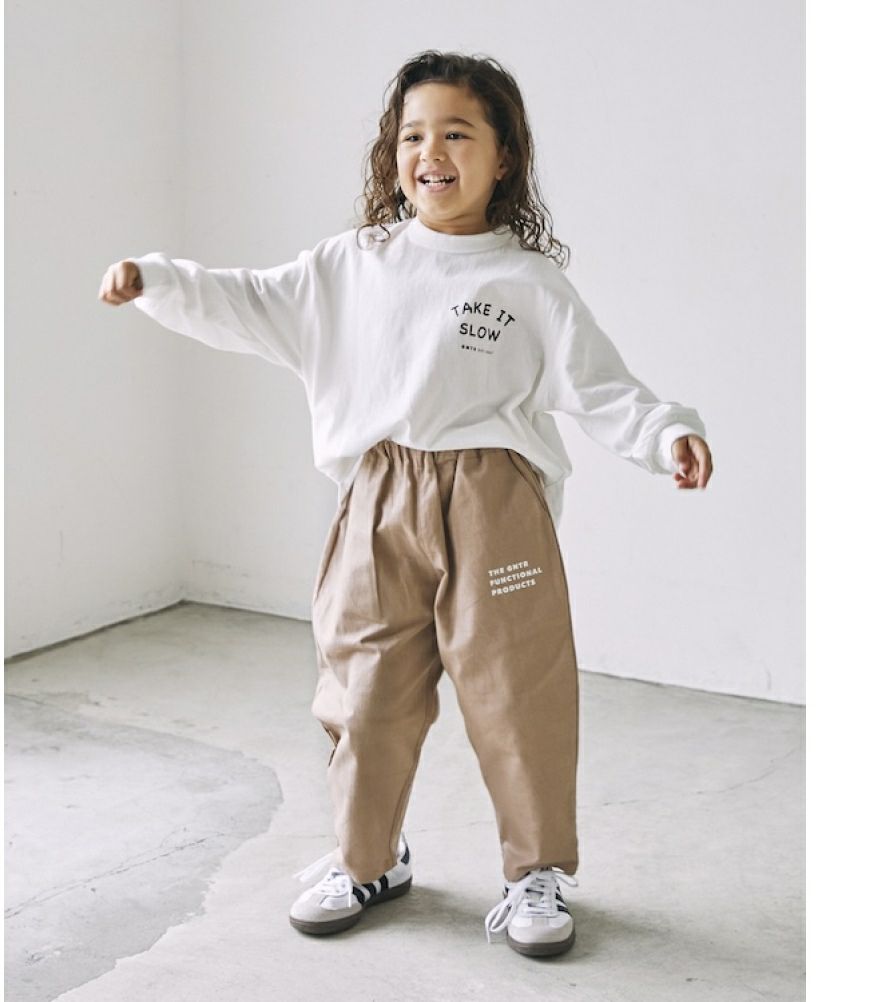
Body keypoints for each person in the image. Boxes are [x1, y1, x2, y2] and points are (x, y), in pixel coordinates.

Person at [98, 49, 713, 959]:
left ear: (504, 158)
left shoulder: (527, 283)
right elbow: (249, 301)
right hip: (379, 499)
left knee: (518, 692)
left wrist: (665, 434)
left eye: (457, 134)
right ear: (393, 155)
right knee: (364, 689)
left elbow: (602, 386)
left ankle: (534, 871)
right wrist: (157, 281)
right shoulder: (353, 265)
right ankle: (369, 859)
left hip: (495, 503)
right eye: (413, 136)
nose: (432, 153)